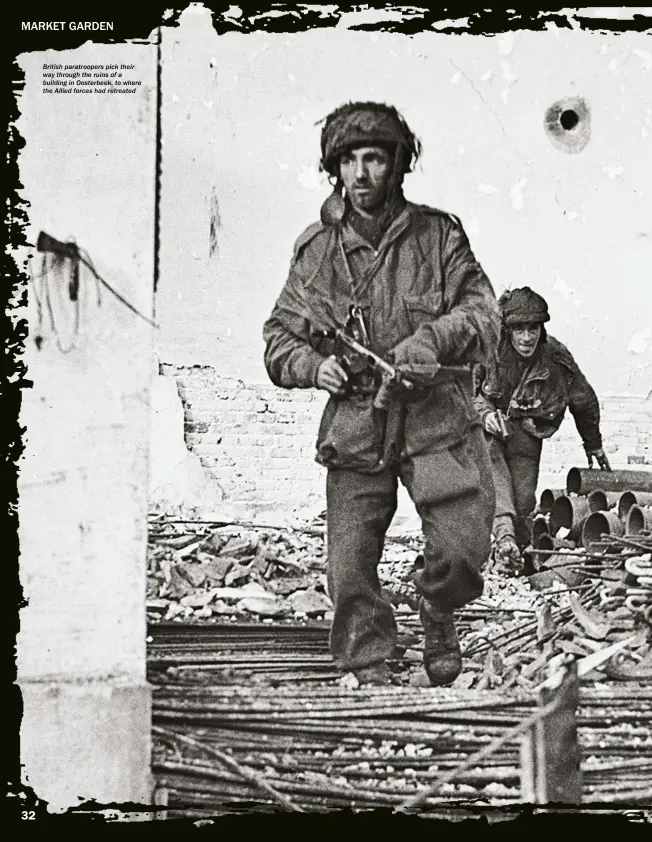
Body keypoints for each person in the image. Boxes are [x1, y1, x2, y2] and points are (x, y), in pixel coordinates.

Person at [263, 101, 500, 687]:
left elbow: (483, 312)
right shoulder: (317, 253)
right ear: (334, 170)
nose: (362, 173)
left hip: (434, 413)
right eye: (349, 161)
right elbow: (277, 337)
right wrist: (313, 366)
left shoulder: (438, 236)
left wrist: (431, 340)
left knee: (464, 550)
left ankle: (438, 606)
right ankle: (368, 670)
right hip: (356, 421)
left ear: (398, 165)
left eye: (375, 158)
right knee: (349, 564)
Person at [473, 286, 611, 575]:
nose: (526, 337)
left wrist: (593, 445)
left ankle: (518, 557)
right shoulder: (487, 349)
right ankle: (504, 539)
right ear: (507, 330)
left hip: (527, 432)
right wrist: (485, 414)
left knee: (523, 500)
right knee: (497, 485)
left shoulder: (556, 359)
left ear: (541, 328)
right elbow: (465, 392)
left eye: (533, 328)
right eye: (519, 329)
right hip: (490, 430)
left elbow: (583, 400)